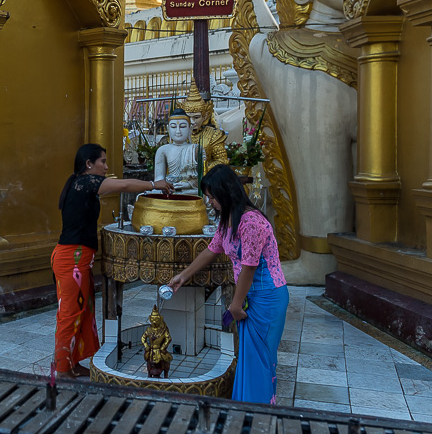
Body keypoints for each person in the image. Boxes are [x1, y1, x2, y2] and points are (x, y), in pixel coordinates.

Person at [167, 164, 288, 403]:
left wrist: (235, 304)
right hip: (249, 297)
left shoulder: (250, 221)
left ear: (227, 192)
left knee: (260, 359)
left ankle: (260, 416)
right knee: (249, 359)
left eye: (212, 197)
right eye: (209, 197)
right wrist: (184, 275)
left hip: (267, 297)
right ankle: (248, 410)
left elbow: (249, 266)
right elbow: (212, 250)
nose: (210, 202)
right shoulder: (228, 219)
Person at [53, 143, 174, 378]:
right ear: (89, 164)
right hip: (71, 258)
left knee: (83, 311)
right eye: (103, 162)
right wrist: (154, 184)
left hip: (77, 258)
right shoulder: (84, 182)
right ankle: (61, 369)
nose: (106, 167)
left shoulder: (78, 183)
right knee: (70, 314)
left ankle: (72, 362)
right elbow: (124, 185)